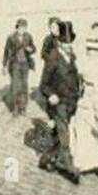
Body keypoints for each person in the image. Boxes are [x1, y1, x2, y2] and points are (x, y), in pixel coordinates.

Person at [38, 21, 83, 184]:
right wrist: (51, 95)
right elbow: (43, 84)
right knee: (65, 135)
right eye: (65, 43)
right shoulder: (53, 58)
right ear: (59, 42)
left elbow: (74, 77)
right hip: (59, 103)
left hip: (71, 101)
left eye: (71, 42)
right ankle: (70, 168)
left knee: (58, 132)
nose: (69, 46)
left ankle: (46, 158)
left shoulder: (72, 56)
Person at [69, 22, 98, 180]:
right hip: (87, 94)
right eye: (90, 49)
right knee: (85, 126)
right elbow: (78, 79)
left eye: (95, 49)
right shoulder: (82, 62)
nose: (92, 52)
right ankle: (86, 162)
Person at [2, 18, 36, 116]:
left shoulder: (28, 37)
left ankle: (23, 107)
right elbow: (6, 52)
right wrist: (4, 66)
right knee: (16, 86)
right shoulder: (11, 38)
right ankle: (16, 108)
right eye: (20, 27)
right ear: (17, 27)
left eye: (24, 27)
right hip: (15, 64)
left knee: (25, 86)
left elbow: (34, 48)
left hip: (25, 64)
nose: (22, 29)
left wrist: (31, 49)